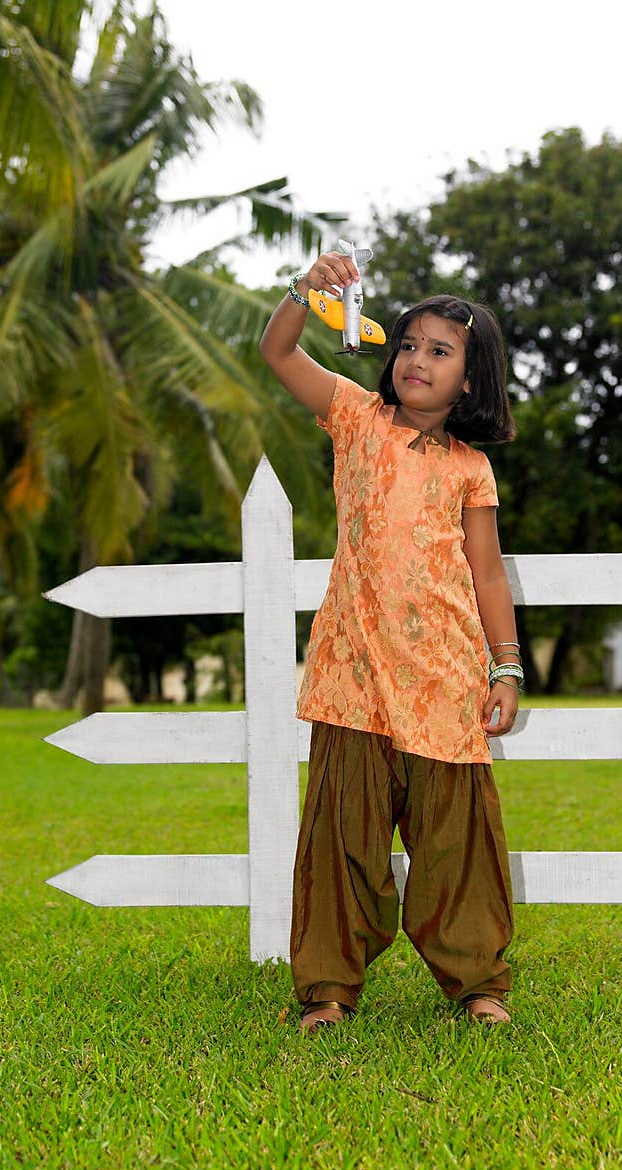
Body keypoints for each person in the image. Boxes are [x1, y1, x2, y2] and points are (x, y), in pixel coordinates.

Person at [259, 250, 522, 1033]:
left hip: (445, 681)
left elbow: (488, 576)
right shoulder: (355, 418)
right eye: (408, 344)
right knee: (344, 842)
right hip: (354, 676)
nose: (416, 359)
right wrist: (307, 290)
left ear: (470, 378)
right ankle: (329, 992)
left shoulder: (471, 469)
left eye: (440, 351)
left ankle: (478, 983)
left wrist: (504, 666)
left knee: (457, 846)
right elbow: (277, 352)